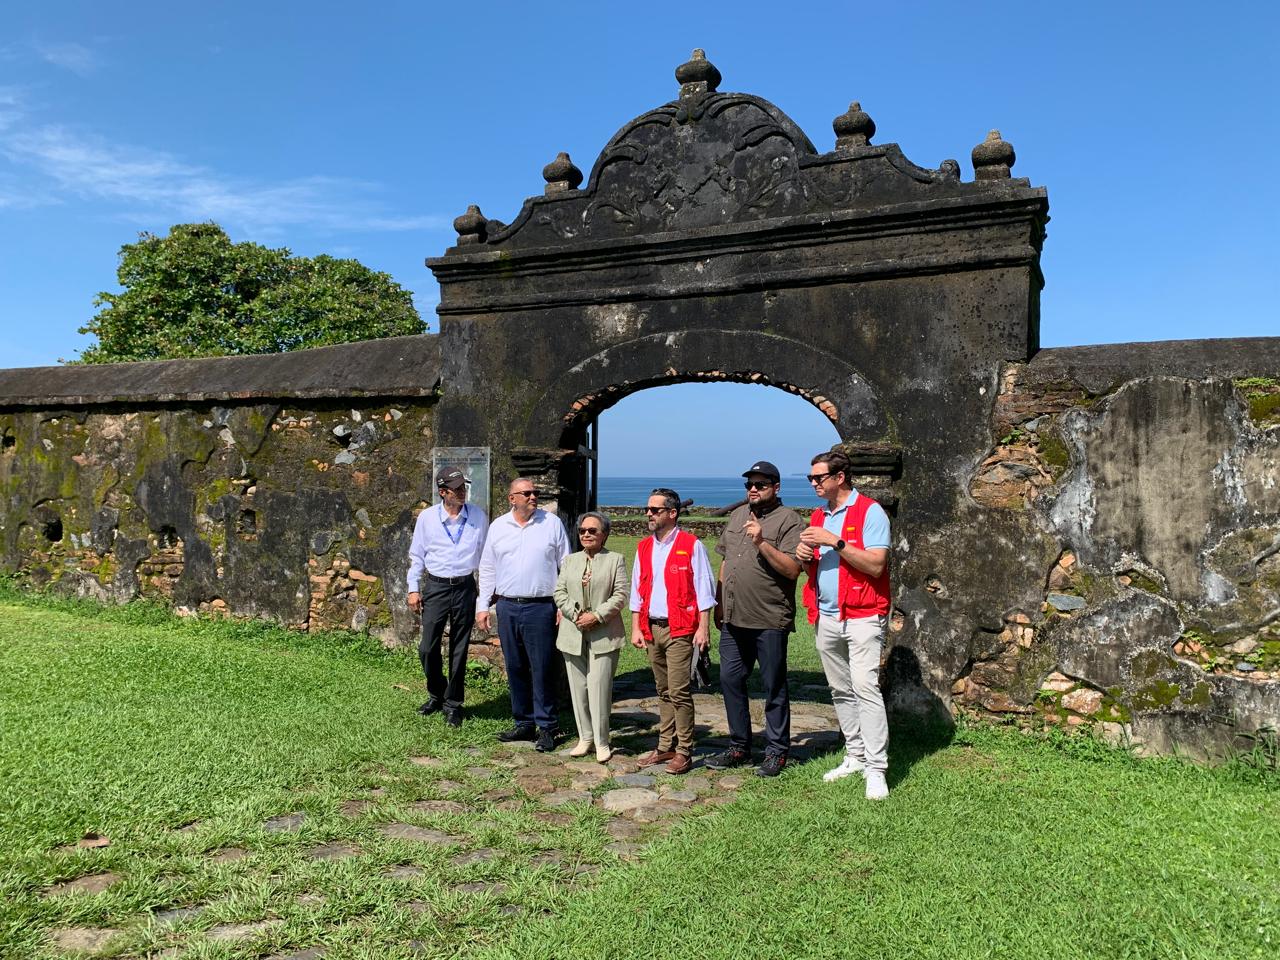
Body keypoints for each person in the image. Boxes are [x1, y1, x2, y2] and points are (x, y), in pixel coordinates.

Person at [796, 449, 893, 800]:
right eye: (810, 478)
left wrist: (835, 542)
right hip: (826, 614)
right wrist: (805, 558)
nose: (813, 483)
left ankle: (876, 768)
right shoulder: (818, 515)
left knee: (866, 687)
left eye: (818, 477)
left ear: (840, 477)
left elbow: (876, 565)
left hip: (863, 614)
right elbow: (815, 565)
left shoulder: (870, 511)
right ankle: (855, 755)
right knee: (839, 689)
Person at [707, 460, 804, 777]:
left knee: (773, 685)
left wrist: (762, 542)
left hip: (768, 617)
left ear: (776, 487)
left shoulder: (790, 520)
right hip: (733, 616)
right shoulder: (738, 516)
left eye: (760, 484)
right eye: (749, 484)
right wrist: (719, 601)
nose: (753, 489)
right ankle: (739, 745)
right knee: (730, 679)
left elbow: (793, 569)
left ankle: (776, 751)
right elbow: (725, 561)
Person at [476, 478, 571, 752]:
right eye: (526, 493)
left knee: (542, 667)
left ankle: (547, 726)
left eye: (535, 492)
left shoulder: (551, 523)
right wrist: (483, 605)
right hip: (507, 606)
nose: (533, 497)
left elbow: (566, 564)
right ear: (512, 498)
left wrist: (563, 605)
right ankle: (524, 722)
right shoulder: (498, 527)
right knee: (515, 666)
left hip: (541, 606)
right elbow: (488, 567)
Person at [630, 487, 716, 775]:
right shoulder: (644, 547)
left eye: (655, 510)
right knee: (663, 690)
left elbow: (704, 588)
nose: (649, 514)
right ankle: (666, 744)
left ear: (672, 513)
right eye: (648, 509)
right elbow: (637, 590)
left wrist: (703, 627)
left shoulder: (691, 545)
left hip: (680, 627)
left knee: (679, 691)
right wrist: (636, 627)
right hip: (652, 627)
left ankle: (684, 751)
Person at [406, 467, 488, 727]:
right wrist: (413, 588)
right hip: (436, 586)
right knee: (427, 647)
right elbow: (417, 555)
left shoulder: (477, 516)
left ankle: (453, 704)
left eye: (464, 487)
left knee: (459, 648)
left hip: (465, 586)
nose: (462, 492)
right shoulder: (428, 518)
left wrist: (486, 594)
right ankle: (437, 693)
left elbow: (485, 557)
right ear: (443, 492)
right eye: (456, 489)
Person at [553, 511, 629, 763]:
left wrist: (596, 616)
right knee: (578, 688)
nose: (586, 534)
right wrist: (575, 614)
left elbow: (621, 594)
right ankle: (585, 737)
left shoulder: (615, 560)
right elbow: (559, 591)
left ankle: (602, 740)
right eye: (582, 530)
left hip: (604, 632)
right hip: (572, 631)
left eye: (592, 531)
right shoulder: (570, 560)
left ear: (604, 534)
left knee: (599, 686)